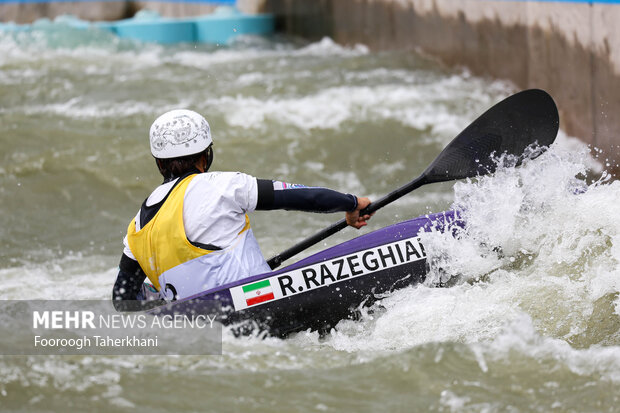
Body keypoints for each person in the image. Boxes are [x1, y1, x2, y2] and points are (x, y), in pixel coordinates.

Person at [112, 109, 372, 309]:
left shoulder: (136, 227)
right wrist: (351, 203)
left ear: (159, 162)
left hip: (201, 326)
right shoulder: (222, 185)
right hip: (256, 308)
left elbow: (122, 298)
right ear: (207, 155)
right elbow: (305, 197)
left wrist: (159, 297)